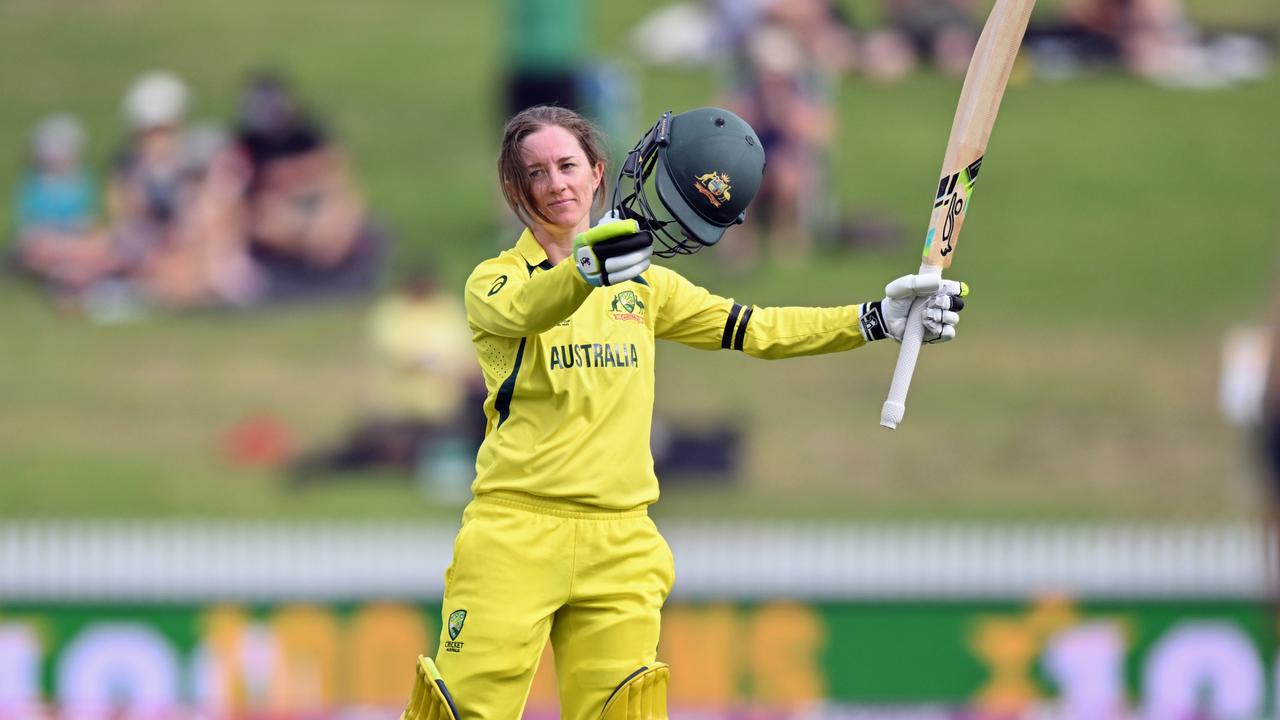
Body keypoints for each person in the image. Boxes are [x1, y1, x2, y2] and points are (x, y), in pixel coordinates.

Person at [398, 105, 967, 720]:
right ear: (516, 191)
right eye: (536, 173)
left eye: (567, 166)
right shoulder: (494, 282)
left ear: (596, 173)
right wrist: (588, 270)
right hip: (515, 533)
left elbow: (757, 329)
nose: (556, 183)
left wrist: (874, 320)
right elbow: (529, 309)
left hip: (621, 539)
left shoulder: (645, 288)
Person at [11, 114, 118, 305]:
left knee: (97, 245)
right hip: (46, 240)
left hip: (75, 238)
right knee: (41, 248)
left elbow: (90, 217)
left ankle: (76, 279)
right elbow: (26, 226)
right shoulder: (32, 182)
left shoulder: (85, 180)